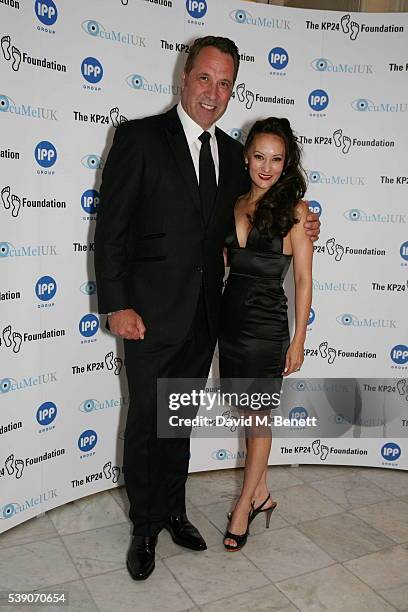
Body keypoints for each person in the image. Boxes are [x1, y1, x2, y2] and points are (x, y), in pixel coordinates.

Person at [94, 37, 320, 580]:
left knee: (179, 421)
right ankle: (145, 526)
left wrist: (306, 221)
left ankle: (174, 511)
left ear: (232, 89)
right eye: (204, 78)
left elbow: (262, 207)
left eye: (224, 84)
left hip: (206, 318)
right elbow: (110, 229)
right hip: (147, 315)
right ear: (184, 76)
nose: (212, 93)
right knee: (148, 422)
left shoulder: (231, 156)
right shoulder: (139, 137)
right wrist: (116, 304)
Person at [219, 117, 313, 551]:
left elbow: (303, 282)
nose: (266, 167)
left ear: (286, 162)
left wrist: (298, 340)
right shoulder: (232, 202)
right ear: (246, 157)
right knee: (247, 413)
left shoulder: (296, 212)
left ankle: (244, 509)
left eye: (276, 159)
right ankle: (262, 494)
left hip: (266, 329)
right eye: (259, 156)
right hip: (231, 326)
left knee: (259, 420)